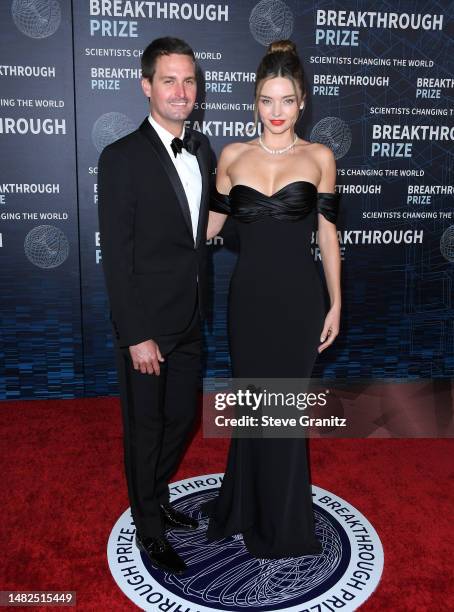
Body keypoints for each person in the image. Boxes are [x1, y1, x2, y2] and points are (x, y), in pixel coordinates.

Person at [203, 39, 341, 559]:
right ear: (254, 101)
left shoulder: (320, 157)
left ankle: (282, 525)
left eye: (287, 100)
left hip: (301, 301)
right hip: (249, 301)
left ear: (302, 101)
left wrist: (336, 303)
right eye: (267, 100)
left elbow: (327, 236)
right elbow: (209, 227)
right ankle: (241, 503)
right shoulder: (233, 156)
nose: (277, 112)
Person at [98, 37, 212, 574]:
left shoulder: (204, 150)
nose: (180, 91)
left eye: (188, 80)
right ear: (146, 86)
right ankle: (148, 529)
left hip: (190, 317)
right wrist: (135, 332)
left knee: (183, 417)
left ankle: (157, 495)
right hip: (147, 325)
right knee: (143, 430)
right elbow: (117, 259)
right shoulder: (120, 157)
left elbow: (202, 229)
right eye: (168, 80)